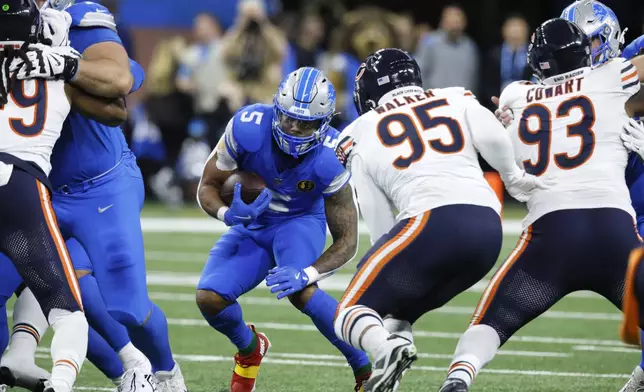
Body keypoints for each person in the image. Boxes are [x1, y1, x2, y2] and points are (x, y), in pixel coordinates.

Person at [437, 18, 644, 392]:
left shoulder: (517, 93)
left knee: (490, 322)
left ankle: (459, 375)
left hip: (551, 236)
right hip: (613, 234)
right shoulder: (612, 77)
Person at [330, 48, 544, 392]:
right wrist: (512, 175)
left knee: (349, 312)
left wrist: (383, 254)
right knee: (395, 312)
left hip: (431, 222)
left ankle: (387, 350)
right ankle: (392, 374)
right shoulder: (454, 96)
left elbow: (378, 217)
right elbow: (490, 134)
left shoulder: (359, 131)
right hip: (487, 229)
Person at [2, 1, 187, 391]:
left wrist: (65, 66)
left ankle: (165, 373)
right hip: (36, 187)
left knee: (126, 307)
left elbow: (121, 88)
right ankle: (128, 369)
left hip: (97, 185)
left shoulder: (75, 18)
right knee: (65, 289)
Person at [196, 66, 372, 392]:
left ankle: (364, 368)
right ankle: (250, 350)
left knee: (302, 291)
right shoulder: (248, 127)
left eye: (305, 123)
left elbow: (347, 241)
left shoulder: (332, 156)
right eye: (288, 118)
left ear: (324, 122)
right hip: (254, 223)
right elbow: (207, 185)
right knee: (209, 298)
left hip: (300, 221)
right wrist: (226, 213)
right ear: (276, 107)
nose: (292, 128)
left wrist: (307, 273)